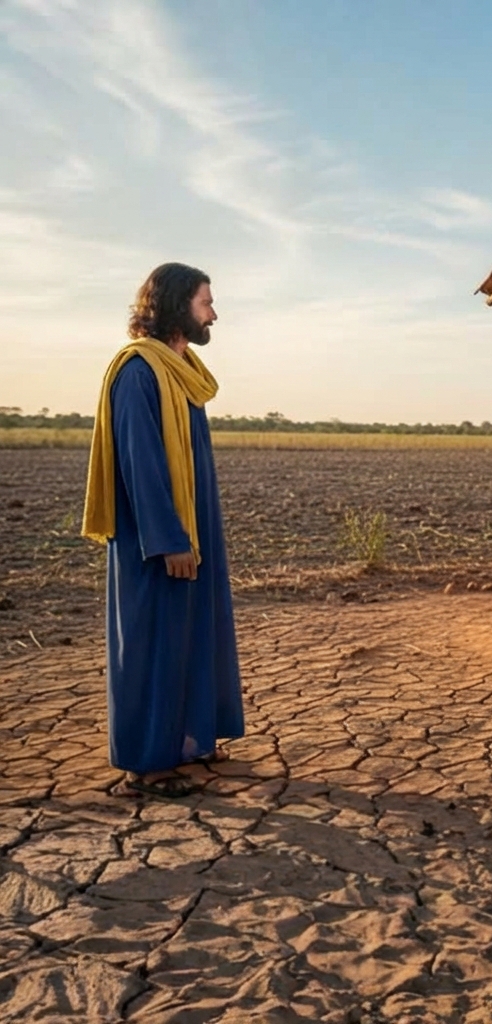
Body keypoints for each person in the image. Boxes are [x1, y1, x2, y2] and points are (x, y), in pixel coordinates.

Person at [82, 263, 245, 797]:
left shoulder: (183, 371)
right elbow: (140, 462)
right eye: (206, 302)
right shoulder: (138, 372)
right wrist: (168, 539)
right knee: (154, 644)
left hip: (194, 529)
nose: (214, 313)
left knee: (195, 636)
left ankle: (187, 743)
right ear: (178, 306)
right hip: (155, 540)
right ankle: (146, 765)